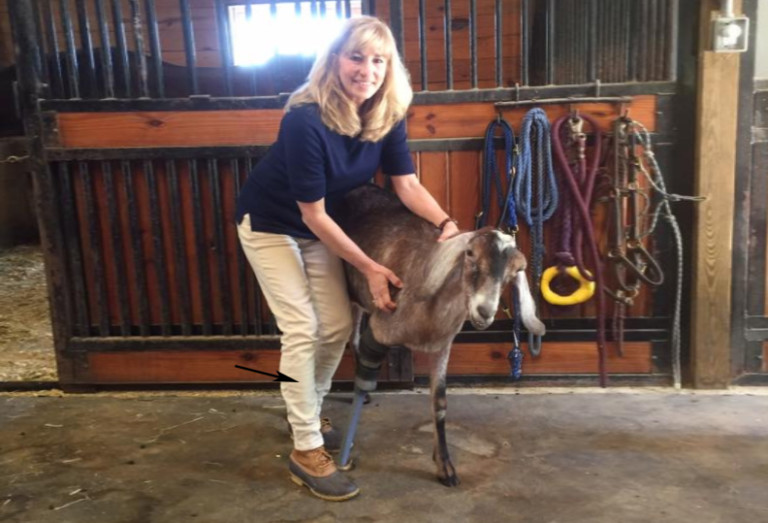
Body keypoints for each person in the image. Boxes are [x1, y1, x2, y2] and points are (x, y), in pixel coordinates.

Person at [235, 15, 459, 501]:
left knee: (337, 326)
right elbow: (312, 214)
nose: (367, 69)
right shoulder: (305, 119)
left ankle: (306, 412)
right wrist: (370, 266)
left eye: (378, 60)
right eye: (356, 56)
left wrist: (445, 224)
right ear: (335, 60)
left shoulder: (386, 114)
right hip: (272, 224)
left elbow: (406, 184)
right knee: (300, 328)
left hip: (320, 228)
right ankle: (306, 448)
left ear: (389, 67)